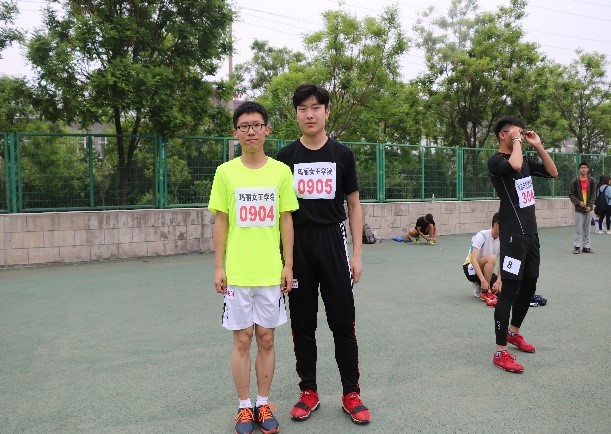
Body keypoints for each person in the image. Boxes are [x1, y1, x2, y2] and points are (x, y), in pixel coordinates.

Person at [276, 84, 371, 425]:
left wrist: (356, 254)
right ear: (296, 114)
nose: (310, 114)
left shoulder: (342, 154)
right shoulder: (285, 157)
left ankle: (351, 393)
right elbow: (281, 214)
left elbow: (354, 205)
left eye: (316, 107)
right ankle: (309, 391)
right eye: (303, 108)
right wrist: (284, 261)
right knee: (303, 324)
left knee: (343, 322)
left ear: (326, 112)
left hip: (333, 241)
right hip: (298, 245)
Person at [209, 101, 299, 434]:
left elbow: (286, 220)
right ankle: (244, 407)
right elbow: (221, 220)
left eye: (256, 125)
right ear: (235, 132)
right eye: (244, 126)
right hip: (238, 273)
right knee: (242, 340)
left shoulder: (281, 172)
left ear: (267, 130)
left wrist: (288, 265)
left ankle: (263, 403)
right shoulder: (225, 172)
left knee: (267, 338)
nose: (251, 132)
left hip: (270, 273)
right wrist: (219, 267)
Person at [487, 115, 558, 373]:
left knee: (529, 287)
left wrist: (537, 145)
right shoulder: (496, 161)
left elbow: (552, 172)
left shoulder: (525, 159)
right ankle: (500, 351)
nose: (519, 136)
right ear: (502, 135)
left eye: (520, 132)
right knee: (509, 291)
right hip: (513, 237)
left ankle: (514, 332)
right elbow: (514, 165)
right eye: (514, 132)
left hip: (531, 235)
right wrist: (517, 141)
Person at [463, 212, 500, 307]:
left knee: (501, 290)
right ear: (496, 225)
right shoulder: (482, 235)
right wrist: (483, 281)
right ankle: (484, 291)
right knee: (491, 258)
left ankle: (481, 286)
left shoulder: (502, 239)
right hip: (470, 269)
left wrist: (499, 281)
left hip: (486, 268)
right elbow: (473, 259)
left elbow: (503, 262)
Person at [569, 162, 595, 254]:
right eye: (581, 167)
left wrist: (590, 205)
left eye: (585, 167)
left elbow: (593, 194)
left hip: (588, 209)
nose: (583, 169)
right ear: (579, 169)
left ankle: (586, 247)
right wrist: (578, 202)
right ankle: (577, 247)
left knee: (587, 229)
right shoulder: (574, 181)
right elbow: (571, 195)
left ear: (588, 169)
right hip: (579, 209)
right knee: (577, 229)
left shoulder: (592, 181)